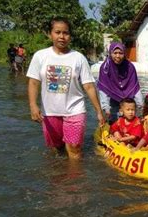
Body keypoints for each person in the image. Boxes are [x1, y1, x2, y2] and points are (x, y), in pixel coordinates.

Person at [27, 17, 105, 161]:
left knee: (74, 149)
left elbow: (88, 85)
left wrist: (98, 111)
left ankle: (74, 181)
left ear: (70, 36)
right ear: (50, 34)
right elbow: (33, 82)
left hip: (75, 110)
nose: (62, 36)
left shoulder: (78, 58)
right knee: (57, 148)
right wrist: (33, 105)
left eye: (66, 33)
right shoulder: (40, 56)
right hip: (50, 112)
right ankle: (58, 179)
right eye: (57, 32)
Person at [97, 42, 143, 124]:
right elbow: (103, 89)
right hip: (113, 100)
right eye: (115, 53)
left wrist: (140, 105)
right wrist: (106, 108)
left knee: (129, 122)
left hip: (128, 101)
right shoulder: (105, 68)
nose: (118, 56)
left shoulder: (130, 67)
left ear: (124, 54)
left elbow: (135, 87)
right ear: (110, 53)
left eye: (120, 53)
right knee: (114, 123)